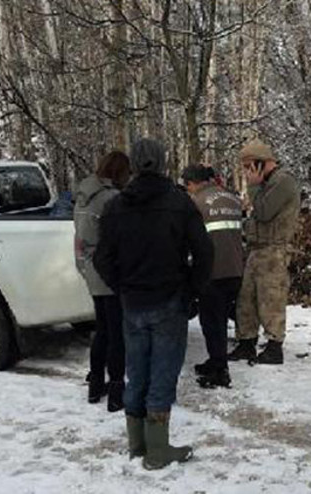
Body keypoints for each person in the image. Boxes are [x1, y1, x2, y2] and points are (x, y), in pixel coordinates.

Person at [94, 138, 213, 470]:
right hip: (169, 301)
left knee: (136, 372)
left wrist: (121, 287)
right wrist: (191, 290)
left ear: (134, 164)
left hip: (133, 304)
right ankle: (157, 452)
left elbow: (102, 259)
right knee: (161, 374)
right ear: (163, 163)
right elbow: (205, 253)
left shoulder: (115, 206)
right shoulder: (180, 202)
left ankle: (138, 445)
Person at [228, 138, 300, 365]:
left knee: (271, 299)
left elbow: (264, 211)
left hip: (274, 249)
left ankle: (274, 346)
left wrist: (253, 185)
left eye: (249, 166)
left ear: (261, 162)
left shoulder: (283, 181)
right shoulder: (267, 183)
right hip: (256, 248)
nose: (246, 172)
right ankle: (246, 342)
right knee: (246, 299)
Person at [73, 151, 131, 412]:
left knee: (102, 330)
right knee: (116, 333)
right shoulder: (112, 198)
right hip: (109, 269)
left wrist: (83, 265)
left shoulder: (83, 196)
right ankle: (117, 389)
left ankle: (95, 383)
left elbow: (78, 235)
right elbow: (119, 238)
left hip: (90, 267)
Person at [182, 165, 244, 388]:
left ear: (192, 183)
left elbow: (193, 239)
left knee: (211, 322)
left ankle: (220, 370)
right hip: (235, 268)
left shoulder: (196, 203)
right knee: (221, 318)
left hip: (213, 270)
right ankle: (216, 360)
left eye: (188, 186)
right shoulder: (232, 198)